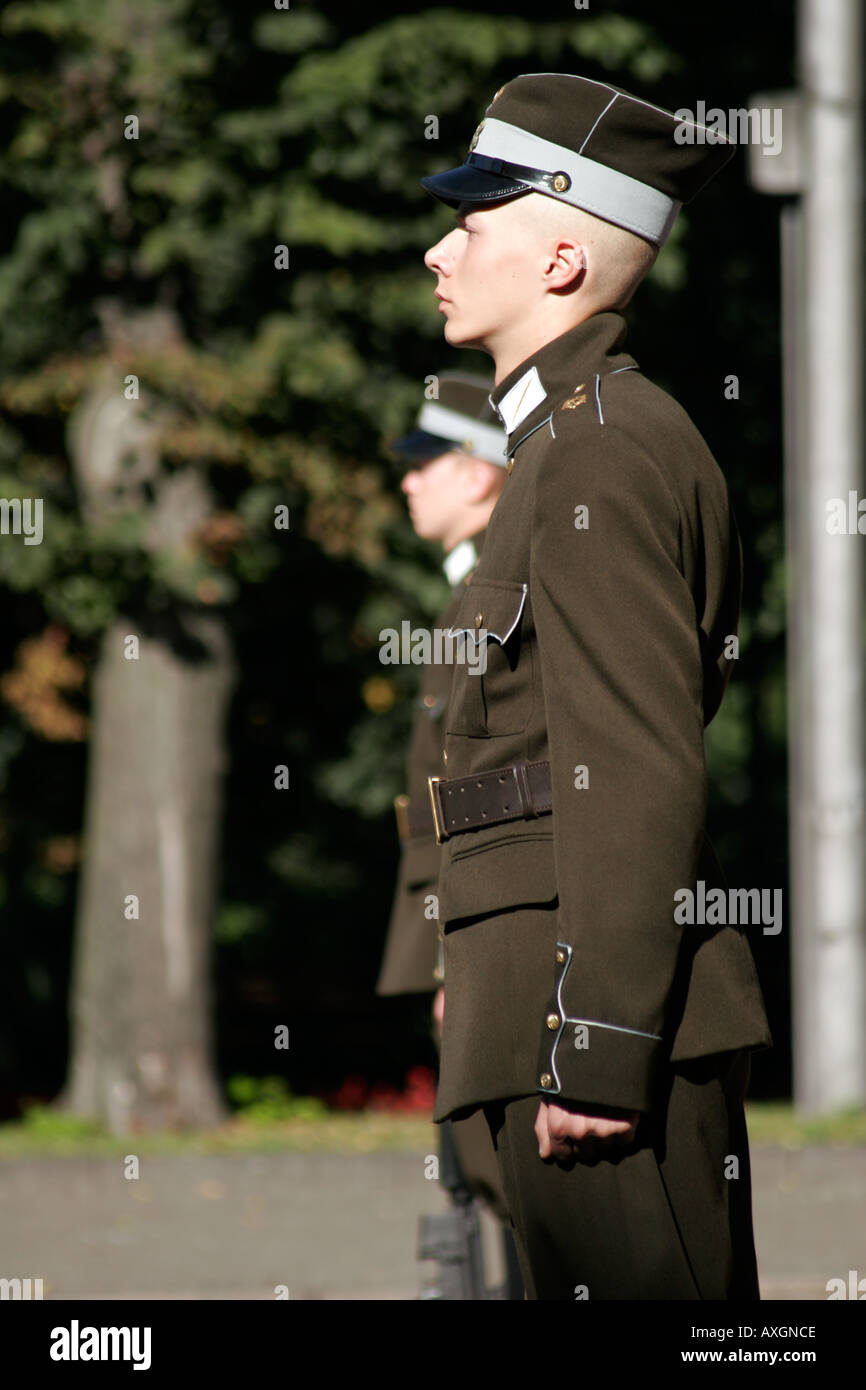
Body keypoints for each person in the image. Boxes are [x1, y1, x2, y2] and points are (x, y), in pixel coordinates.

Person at [417, 72, 773, 1300]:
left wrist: (601, 1040)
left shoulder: (602, 448)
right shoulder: (559, 443)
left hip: (594, 1042)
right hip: (543, 1020)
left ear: (561, 255)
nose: (437, 248)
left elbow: (631, 762)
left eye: (471, 221)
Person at [376, 372, 522, 1297]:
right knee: (494, 1189)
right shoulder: (464, 593)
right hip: (462, 931)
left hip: (480, 935)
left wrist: (454, 959)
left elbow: (486, 793)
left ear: (477, 474)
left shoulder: (489, 595)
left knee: (518, 1191)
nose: (408, 482)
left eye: (427, 464)